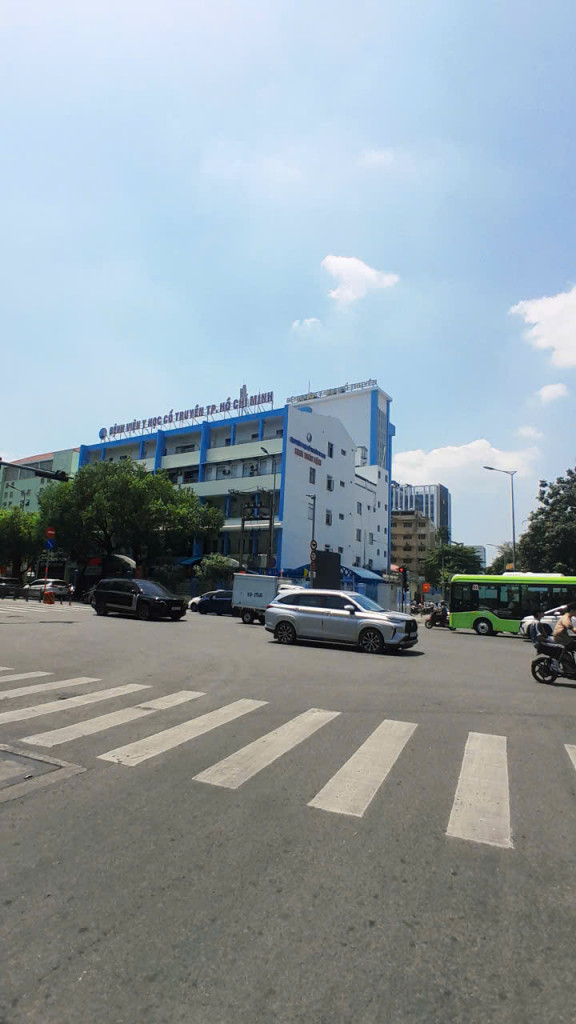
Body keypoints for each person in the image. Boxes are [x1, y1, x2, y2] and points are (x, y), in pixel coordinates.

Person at [552, 603, 576, 672]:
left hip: (564, 638)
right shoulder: (566, 618)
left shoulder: (568, 617)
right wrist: (573, 629)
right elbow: (569, 626)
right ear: (572, 611)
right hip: (561, 639)